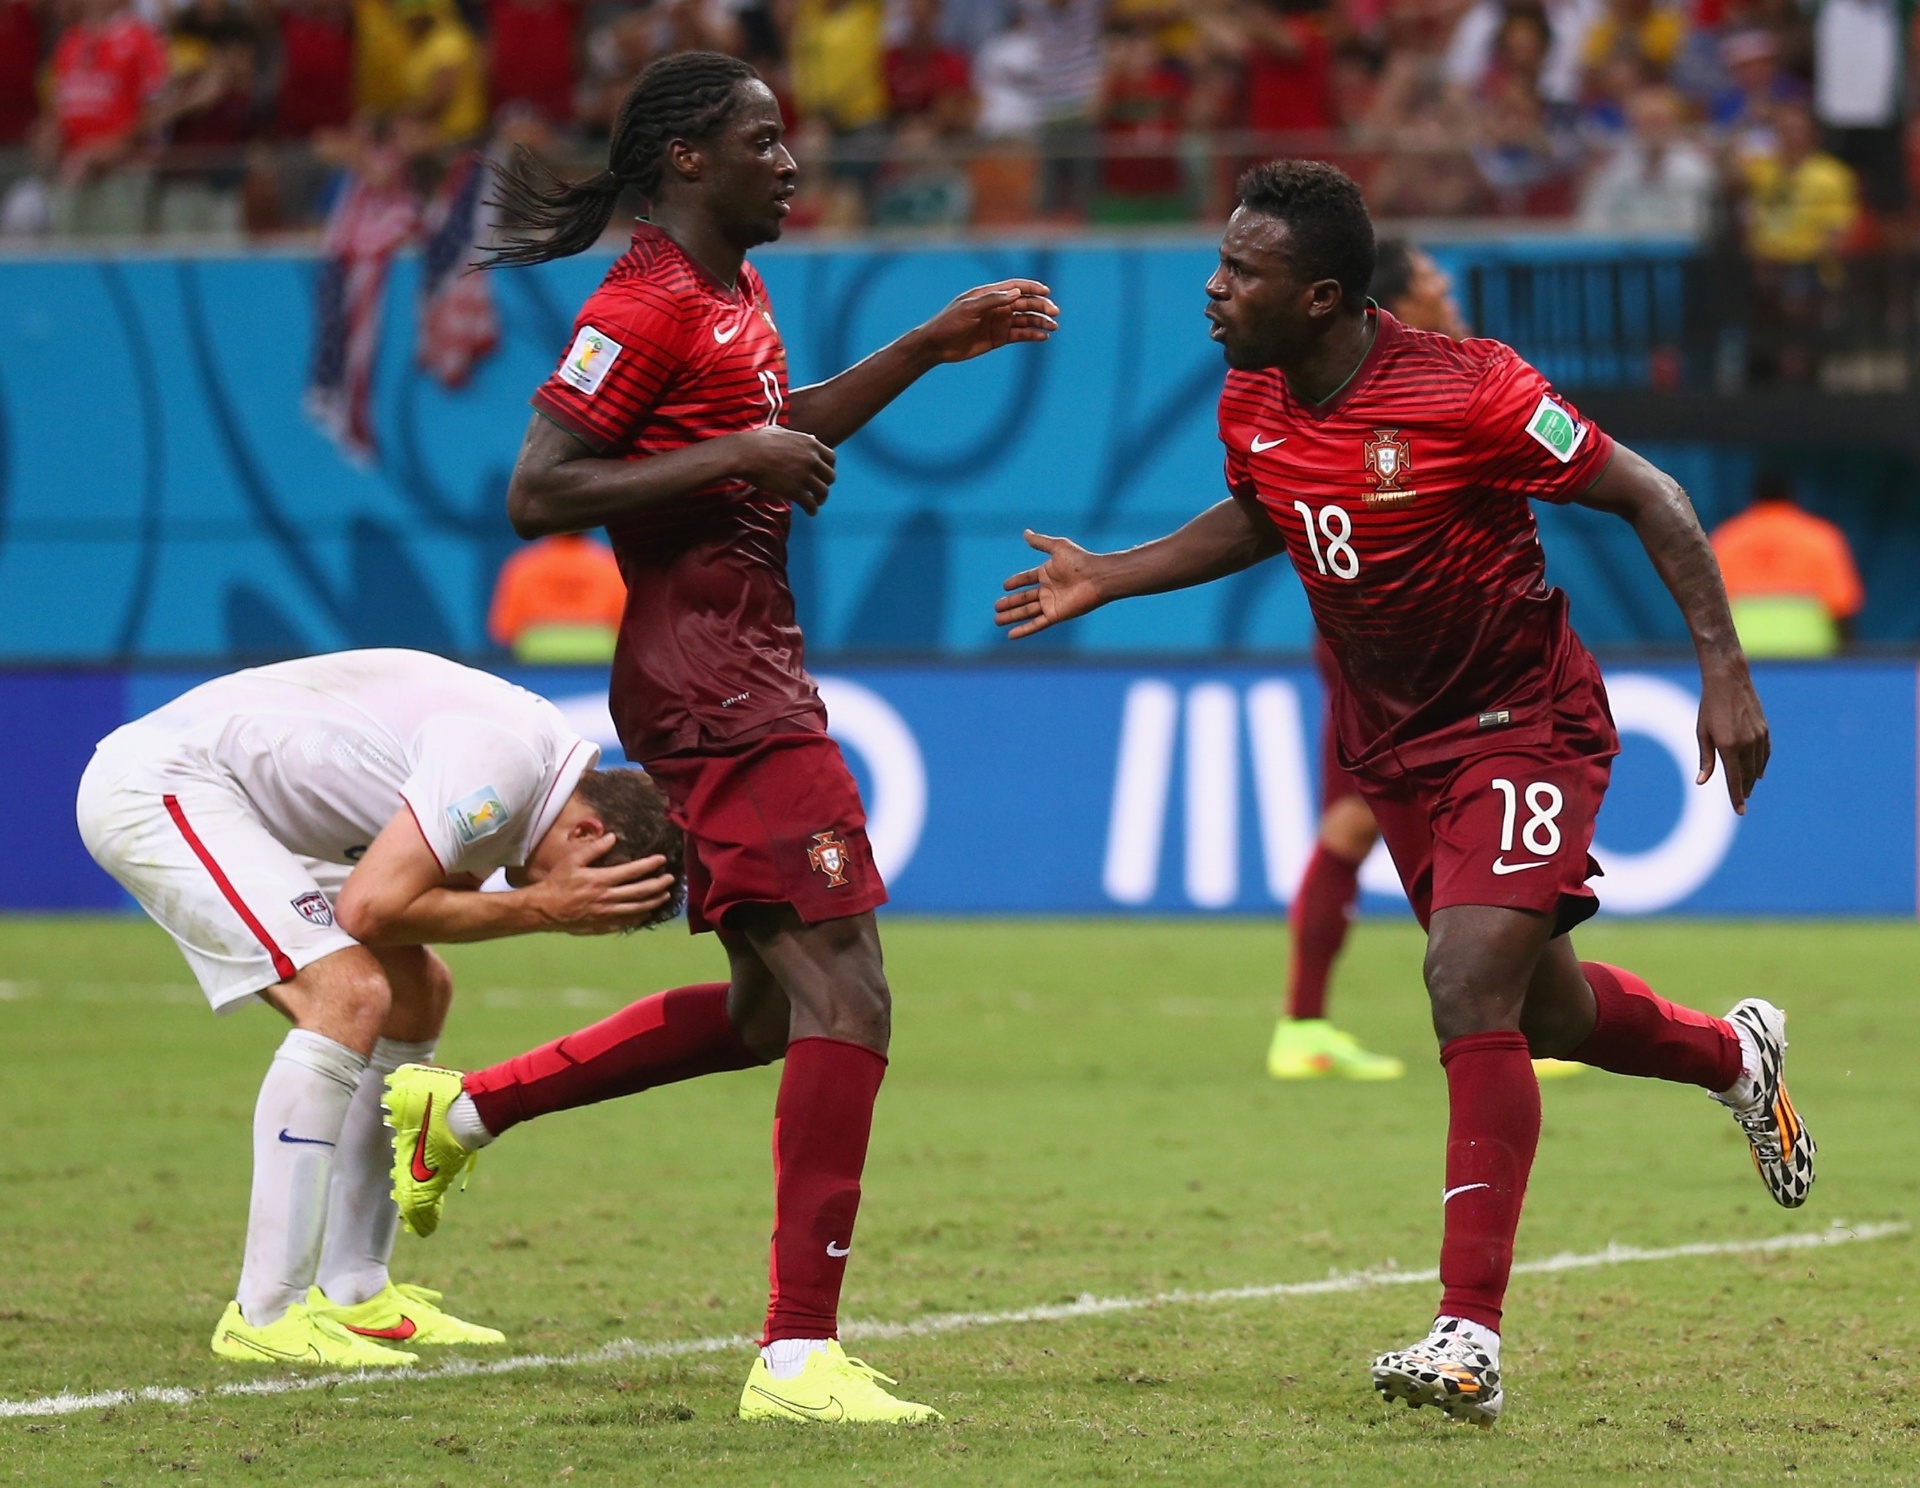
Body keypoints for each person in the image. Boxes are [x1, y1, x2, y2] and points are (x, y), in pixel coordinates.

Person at [995, 160, 1811, 1426]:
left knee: (1463, 984)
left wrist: (1725, 670)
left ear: (1321, 296)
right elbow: (1266, 513)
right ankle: (1732, 1055)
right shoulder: (1252, 389)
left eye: (1240, 272)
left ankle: (1468, 1337)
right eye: (1219, 262)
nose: (1211, 289)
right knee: (1535, 1012)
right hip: (1400, 744)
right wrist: (1116, 573)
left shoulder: (1472, 389)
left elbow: (1650, 494)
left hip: (1520, 722)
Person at [380, 51, 1057, 1426]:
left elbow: (774, 431)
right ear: (688, 157)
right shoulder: (635, 305)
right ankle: (798, 1356)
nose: (793, 160)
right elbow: (539, 488)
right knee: (851, 997)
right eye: (765, 138)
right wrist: (735, 462)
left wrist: (926, 347)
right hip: (714, 685)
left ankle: (459, 1115)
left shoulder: (732, 295)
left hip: (745, 670)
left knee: (771, 1013)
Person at [74, 649, 682, 1367]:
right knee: (349, 992)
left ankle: (354, 1292)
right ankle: (265, 1314)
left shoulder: (525, 785)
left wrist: (539, 901)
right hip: (163, 783)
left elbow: (405, 906)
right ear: (586, 833)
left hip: (244, 805)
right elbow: (370, 909)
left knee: (419, 993)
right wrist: (543, 907)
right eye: (590, 897)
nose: (578, 918)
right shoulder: (504, 767)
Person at [1710, 474, 1864, 656]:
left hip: (1743, 649)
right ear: (1793, 496)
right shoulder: (1820, 537)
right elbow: (1843, 605)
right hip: (1809, 650)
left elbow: (1709, 606)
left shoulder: (1727, 538)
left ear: (1752, 497)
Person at [487, 531, 628, 661]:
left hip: (535, 664)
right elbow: (626, 627)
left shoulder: (524, 566)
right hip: (600, 666)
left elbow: (504, 630)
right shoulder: (611, 565)